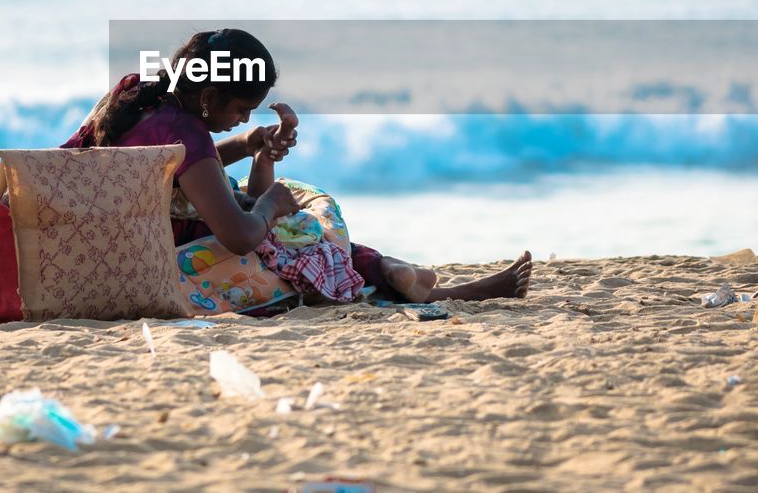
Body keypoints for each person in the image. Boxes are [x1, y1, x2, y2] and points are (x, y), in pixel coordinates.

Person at [62, 28, 531, 303]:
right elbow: (239, 235)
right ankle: (407, 282)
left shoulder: (137, 96)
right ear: (207, 96)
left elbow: (171, 170)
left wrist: (251, 145)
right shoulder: (187, 131)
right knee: (299, 227)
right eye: (241, 110)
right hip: (159, 243)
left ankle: (394, 270)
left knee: (277, 211)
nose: (243, 118)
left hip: (109, 226)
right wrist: (267, 204)